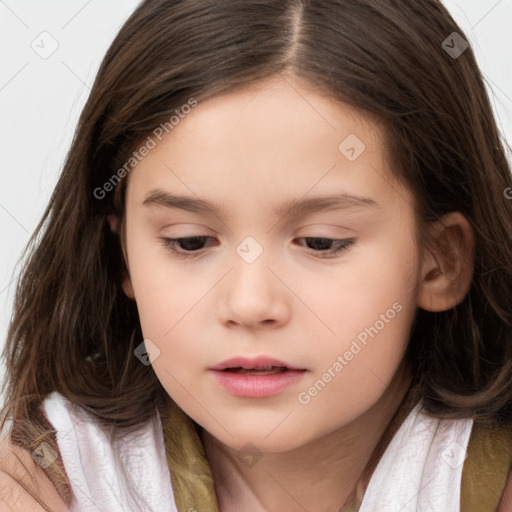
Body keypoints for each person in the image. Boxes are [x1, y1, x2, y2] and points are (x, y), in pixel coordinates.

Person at [1, 0, 512, 510]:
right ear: (123, 257)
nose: (249, 304)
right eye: (189, 242)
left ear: (439, 261)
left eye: (321, 242)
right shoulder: (40, 487)